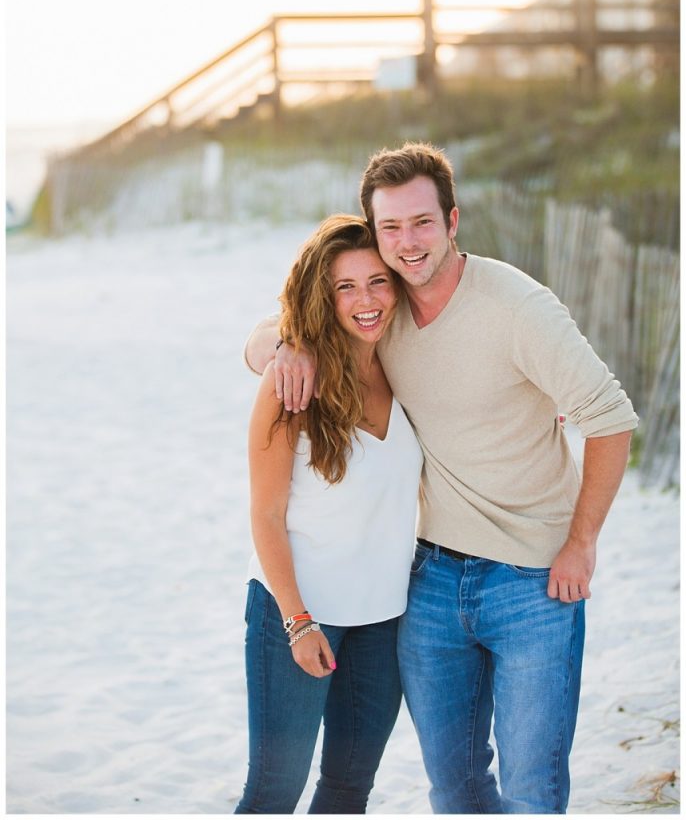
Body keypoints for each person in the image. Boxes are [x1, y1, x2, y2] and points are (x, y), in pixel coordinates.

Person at [245, 143, 638, 815]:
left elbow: (611, 418)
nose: (406, 242)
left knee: (531, 790)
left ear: (452, 221)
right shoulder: (380, 318)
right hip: (426, 585)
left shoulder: (515, 310)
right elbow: (285, 329)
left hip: (528, 581)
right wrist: (284, 347)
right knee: (452, 790)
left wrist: (582, 542)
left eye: (422, 223)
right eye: (390, 228)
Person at [236, 214, 423, 814]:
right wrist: (298, 622)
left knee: (348, 790)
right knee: (273, 792)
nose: (366, 301)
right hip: (297, 612)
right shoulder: (294, 380)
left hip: (383, 618)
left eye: (378, 281)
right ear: (324, 295)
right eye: (346, 287)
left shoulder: (405, 365)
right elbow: (264, 514)